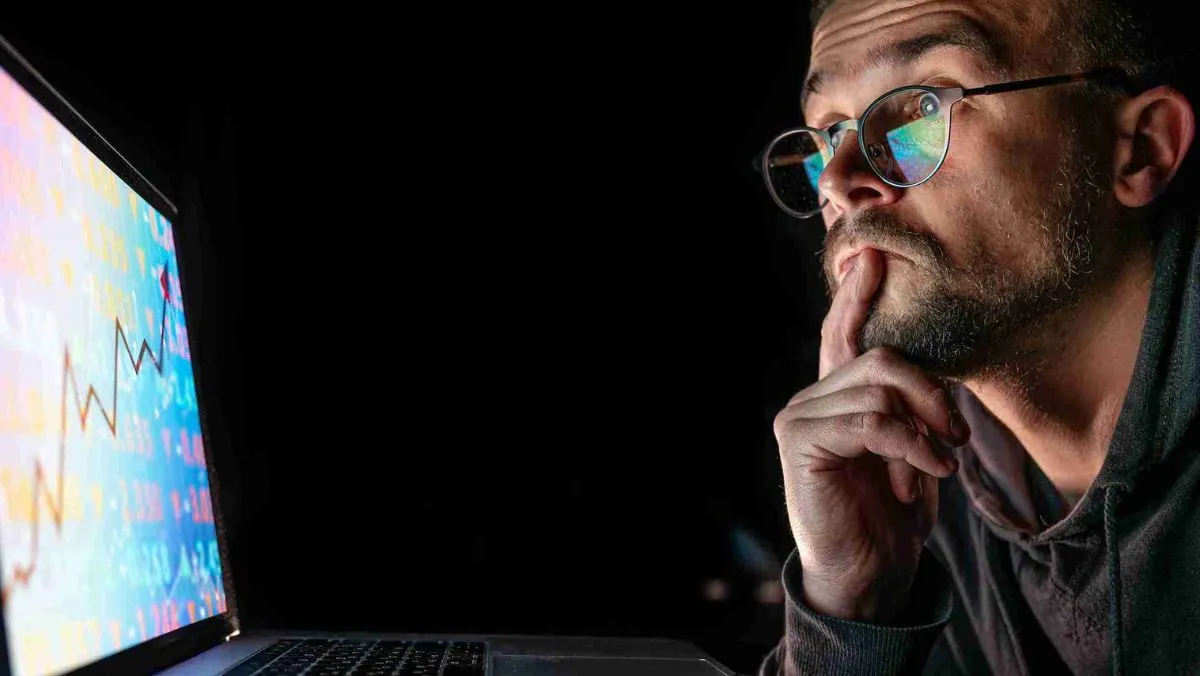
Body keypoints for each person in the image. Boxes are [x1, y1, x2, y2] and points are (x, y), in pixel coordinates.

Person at [756, 0, 1200, 673]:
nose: (842, 181)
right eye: (828, 133)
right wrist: (852, 614)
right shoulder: (912, 492)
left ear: (1139, 149)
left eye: (917, 113)